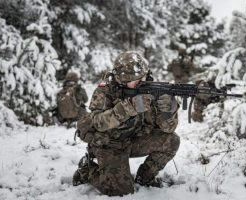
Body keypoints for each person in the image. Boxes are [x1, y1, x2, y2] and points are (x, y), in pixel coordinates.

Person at [73, 51, 180, 196]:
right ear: (120, 79)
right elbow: (98, 122)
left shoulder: (152, 89)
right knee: (120, 191)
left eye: (140, 77)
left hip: (134, 140)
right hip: (110, 144)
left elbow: (168, 128)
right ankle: (86, 170)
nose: (137, 82)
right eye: (131, 80)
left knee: (172, 140)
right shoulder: (105, 90)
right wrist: (129, 108)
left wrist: (169, 110)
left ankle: (145, 178)